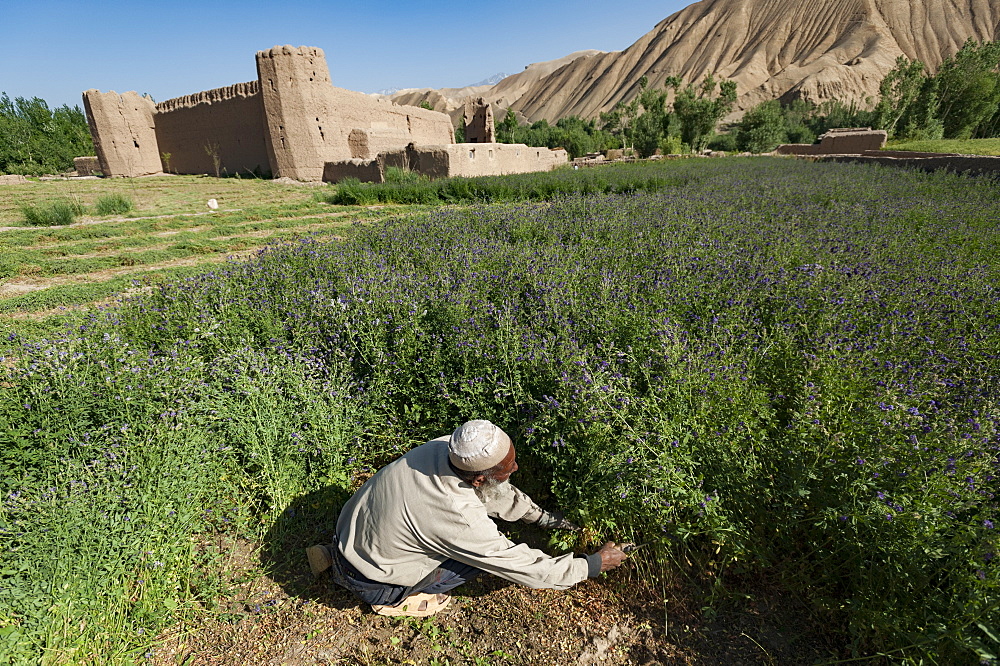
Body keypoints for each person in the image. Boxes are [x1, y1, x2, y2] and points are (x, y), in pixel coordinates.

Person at [307, 419, 629, 617]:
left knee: (426, 526)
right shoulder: (459, 517)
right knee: (476, 560)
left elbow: (498, 492)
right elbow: (522, 567)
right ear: (478, 480)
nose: (515, 469)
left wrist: (543, 519)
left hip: (350, 534)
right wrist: (591, 565)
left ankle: (338, 558)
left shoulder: (442, 448)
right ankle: (391, 599)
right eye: (508, 469)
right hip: (374, 580)